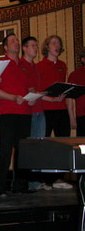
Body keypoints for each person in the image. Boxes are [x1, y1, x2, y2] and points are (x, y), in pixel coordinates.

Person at [0, 33, 34, 196]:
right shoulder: (0, 64)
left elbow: (30, 88)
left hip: (25, 112)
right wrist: (12, 98)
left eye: (17, 40)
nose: (16, 43)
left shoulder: (25, 64)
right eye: (12, 41)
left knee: (23, 150)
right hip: (8, 112)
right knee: (5, 149)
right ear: (5, 47)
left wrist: (32, 97)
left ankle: (20, 186)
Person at [37, 35, 73, 190]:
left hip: (62, 110)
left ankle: (59, 178)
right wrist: (51, 99)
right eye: (53, 43)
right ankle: (45, 180)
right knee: (45, 145)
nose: (57, 46)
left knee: (63, 145)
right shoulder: (39, 66)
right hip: (46, 110)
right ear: (47, 47)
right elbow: (39, 91)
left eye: (58, 43)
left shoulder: (63, 65)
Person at [19, 36, 50, 191]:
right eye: (32, 45)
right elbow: (20, 88)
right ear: (24, 48)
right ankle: (30, 182)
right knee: (29, 147)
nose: (35, 48)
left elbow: (39, 91)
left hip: (39, 109)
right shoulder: (20, 64)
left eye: (36, 46)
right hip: (26, 111)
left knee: (39, 146)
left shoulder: (36, 67)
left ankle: (37, 181)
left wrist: (53, 98)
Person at [69, 47, 85, 136]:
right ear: (83, 59)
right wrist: (72, 118)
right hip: (82, 116)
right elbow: (69, 98)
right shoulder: (75, 74)